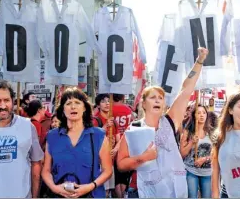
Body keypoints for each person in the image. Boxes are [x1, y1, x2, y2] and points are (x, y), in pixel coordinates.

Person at [116, 47, 209, 198]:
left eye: (160, 97)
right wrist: (143, 158)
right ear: (144, 104)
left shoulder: (170, 121)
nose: (158, 100)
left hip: (175, 191)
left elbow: (186, 90)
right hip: (144, 192)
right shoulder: (133, 128)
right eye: (153, 97)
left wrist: (199, 61)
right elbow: (121, 164)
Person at [41, 87, 113, 198]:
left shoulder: (98, 135)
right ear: (63, 109)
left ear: (84, 107)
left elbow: (107, 171)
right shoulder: (52, 136)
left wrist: (90, 186)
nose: (73, 106)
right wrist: (55, 188)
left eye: (77, 103)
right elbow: (46, 171)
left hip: (92, 194)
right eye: (68, 103)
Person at [0, 80, 44, 198]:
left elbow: (36, 164)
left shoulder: (27, 126)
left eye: (7, 100)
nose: (3, 106)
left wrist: (35, 196)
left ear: (13, 101)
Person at [180, 105, 215, 198]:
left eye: (204, 112)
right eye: (198, 113)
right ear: (194, 115)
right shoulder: (187, 132)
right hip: (191, 171)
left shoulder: (212, 132)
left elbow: (217, 154)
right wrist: (191, 142)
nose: (202, 115)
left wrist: (205, 159)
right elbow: (182, 154)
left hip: (207, 173)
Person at [92, 93, 118, 197]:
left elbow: (119, 139)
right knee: (101, 190)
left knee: (108, 191)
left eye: (108, 101)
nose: (107, 103)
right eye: (103, 101)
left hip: (110, 161)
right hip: (98, 162)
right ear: (98, 105)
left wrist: (115, 149)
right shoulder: (95, 120)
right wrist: (106, 125)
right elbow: (93, 138)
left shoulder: (113, 120)